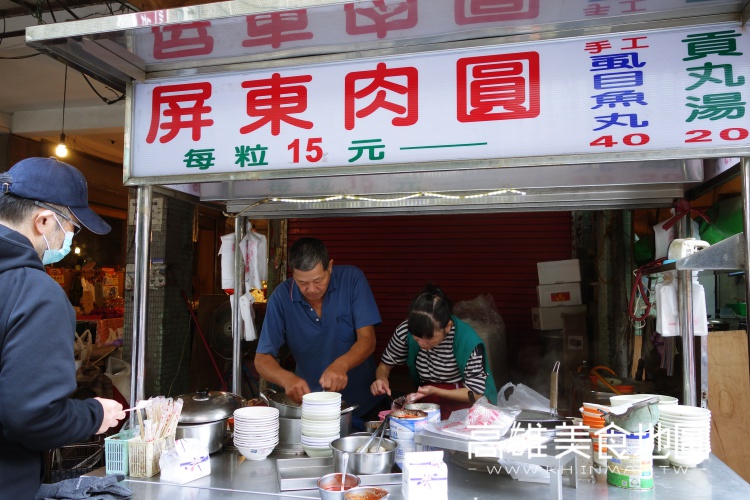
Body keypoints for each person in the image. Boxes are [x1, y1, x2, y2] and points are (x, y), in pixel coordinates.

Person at [0, 157, 126, 499]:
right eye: (71, 226)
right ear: (43, 221)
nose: (70, 237)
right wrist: (94, 414)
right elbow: (33, 418)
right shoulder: (35, 292)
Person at [255, 237, 382, 418]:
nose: (312, 289)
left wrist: (341, 365)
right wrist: (287, 379)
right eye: (302, 283)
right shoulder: (281, 298)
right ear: (293, 275)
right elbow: (262, 359)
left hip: (363, 405)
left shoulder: (352, 279)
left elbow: (368, 340)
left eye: (318, 280)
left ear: (330, 267)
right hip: (314, 409)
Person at [371, 284, 498, 419]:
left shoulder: (467, 341)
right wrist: (381, 378)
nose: (421, 343)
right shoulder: (405, 331)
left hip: (466, 399)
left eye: (429, 338)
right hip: (430, 394)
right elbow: (385, 365)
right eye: (417, 337)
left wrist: (436, 391)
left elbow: (475, 393)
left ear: (448, 327)